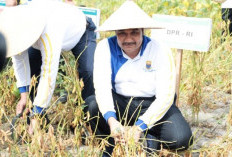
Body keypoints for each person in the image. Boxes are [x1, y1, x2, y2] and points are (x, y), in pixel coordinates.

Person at [85, 1, 193, 156]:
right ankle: (110, 143)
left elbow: (166, 96)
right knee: (92, 105)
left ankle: (150, 134)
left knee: (181, 139)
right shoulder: (105, 48)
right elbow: (102, 88)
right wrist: (112, 120)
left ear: (143, 31)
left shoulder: (160, 50)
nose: (128, 39)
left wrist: (140, 126)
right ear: (115, 32)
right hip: (120, 102)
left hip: (151, 102)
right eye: (122, 33)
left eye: (134, 32)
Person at [0, 0, 96, 134]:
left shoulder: (50, 31)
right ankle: (39, 120)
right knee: (33, 72)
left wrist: (37, 111)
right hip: (45, 34)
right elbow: (19, 58)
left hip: (80, 31)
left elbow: (49, 72)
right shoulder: (19, 23)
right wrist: (24, 95)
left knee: (88, 71)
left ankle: (87, 120)